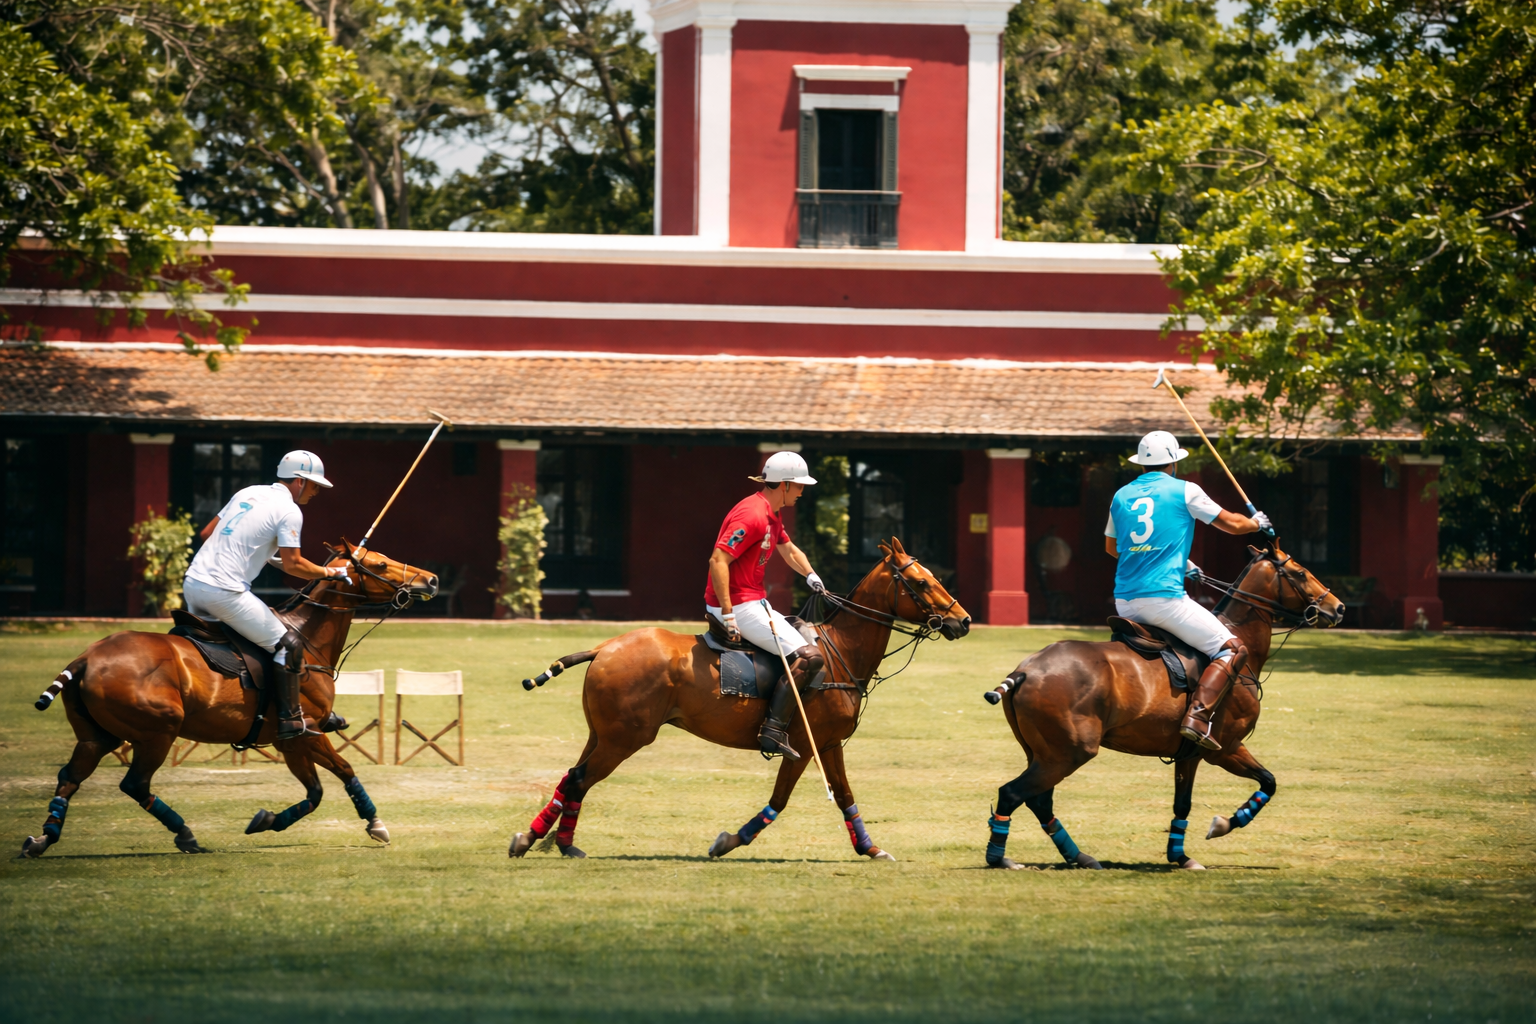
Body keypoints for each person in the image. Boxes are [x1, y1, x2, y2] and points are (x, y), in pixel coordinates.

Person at [1104, 431, 1273, 751]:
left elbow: (1113, 548)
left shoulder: (1121, 495)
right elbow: (1232, 524)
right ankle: (1197, 717)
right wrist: (1256, 524)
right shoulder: (1185, 490)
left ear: (1141, 464)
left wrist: (1181, 563)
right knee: (1233, 649)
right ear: (1174, 463)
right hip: (1164, 600)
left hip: (1124, 601)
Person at [182, 450, 352, 741]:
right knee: (289, 645)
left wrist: (264, 556)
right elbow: (294, 565)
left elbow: (207, 534)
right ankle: (290, 719)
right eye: (314, 485)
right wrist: (330, 573)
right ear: (299, 481)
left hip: (193, 584)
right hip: (225, 592)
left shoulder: (247, 492)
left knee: (251, 641)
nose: (315, 492)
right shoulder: (290, 511)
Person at [705, 451, 827, 760]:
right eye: (799, 485)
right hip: (737, 605)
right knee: (809, 658)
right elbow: (718, 560)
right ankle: (772, 730)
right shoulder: (752, 515)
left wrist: (810, 575)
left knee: (805, 637)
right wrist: (728, 613)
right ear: (784, 485)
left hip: (755, 600)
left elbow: (789, 551)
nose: (802, 491)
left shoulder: (772, 513)